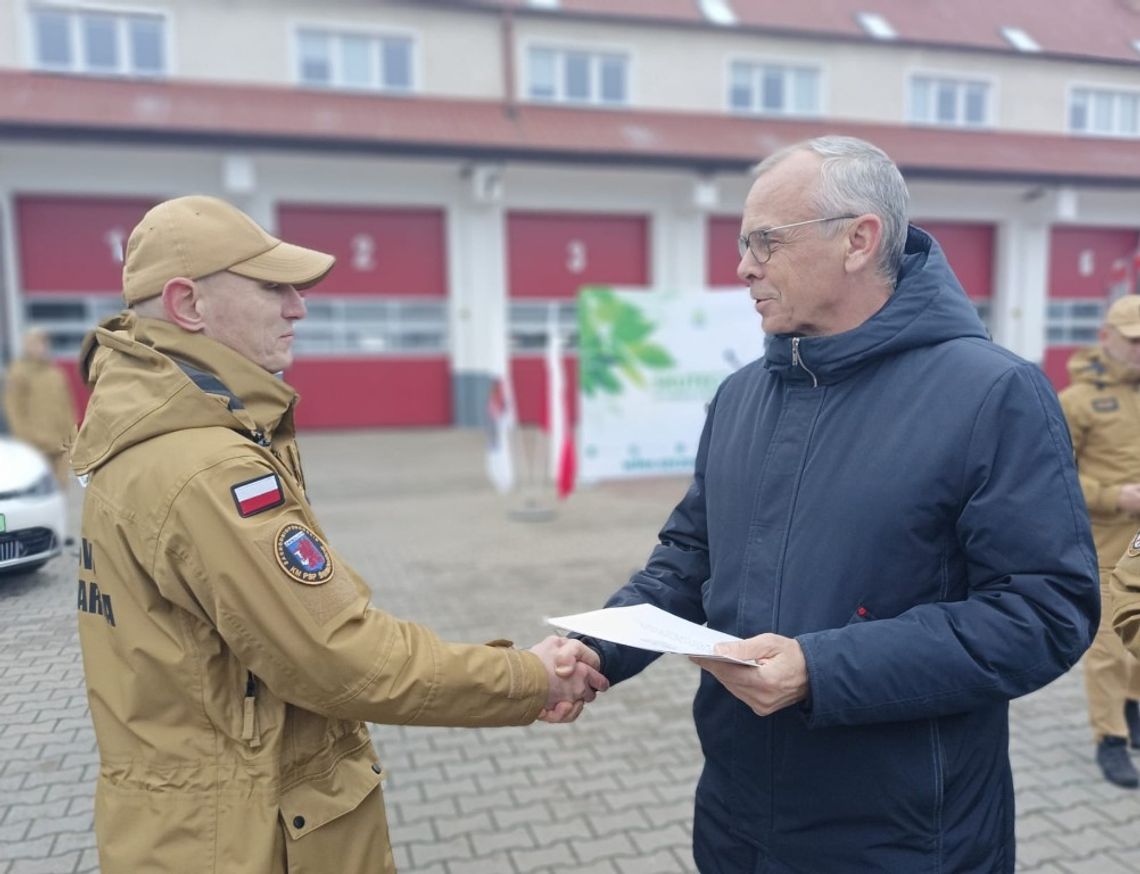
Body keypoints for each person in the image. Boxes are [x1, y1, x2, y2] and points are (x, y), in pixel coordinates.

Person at [574, 136, 1098, 872]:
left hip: (903, 837)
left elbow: (1044, 615)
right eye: (741, 243)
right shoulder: (741, 396)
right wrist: (598, 647)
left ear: (860, 240)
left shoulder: (990, 395)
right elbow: (691, 555)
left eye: (766, 241)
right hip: (735, 820)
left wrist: (822, 668)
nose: (744, 266)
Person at [70, 195, 606, 874]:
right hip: (241, 837)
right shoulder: (206, 466)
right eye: (272, 287)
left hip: (186, 825)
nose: (298, 307)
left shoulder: (166, 431)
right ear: (188, 305)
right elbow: (341, 657)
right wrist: (527, 677)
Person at [1058, 295, 1140, 788]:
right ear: (1106, 338)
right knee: (1110, 647)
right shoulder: (1076, 402)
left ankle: (1132, 713)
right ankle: (1108, 739)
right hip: (1107, 546)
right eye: (1134, 340)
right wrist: (1115, 496)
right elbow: (1055, 479)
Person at [3, 327, 76, 487]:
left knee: (61, 491)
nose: (40, 347)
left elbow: (67, 406)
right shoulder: (18, 373)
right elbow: (14, 411)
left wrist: (72, 436)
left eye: (43, 343)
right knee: (40, 494)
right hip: (36, 448)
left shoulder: (55, 373)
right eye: (35, 343)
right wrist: (27, 440)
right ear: (26, 346)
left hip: (60, 446)